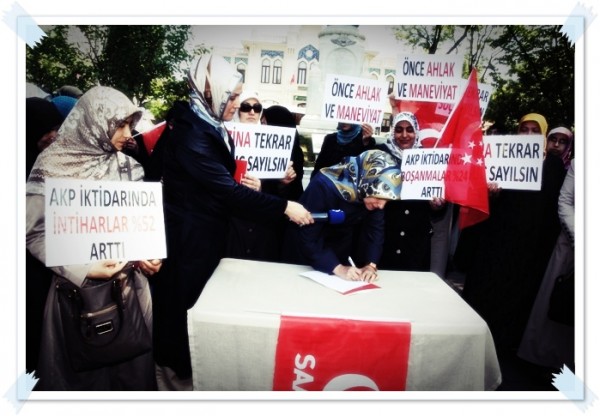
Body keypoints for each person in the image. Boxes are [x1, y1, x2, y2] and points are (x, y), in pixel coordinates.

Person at [151, 54, 312, 389]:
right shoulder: (192, 133)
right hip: (188, 244)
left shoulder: (207, 123)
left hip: (207, 237)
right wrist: (285, 207)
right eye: (234, 96)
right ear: (213, 91)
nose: (238, 104)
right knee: (181, 320)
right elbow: (226, 191)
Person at [26, 86, 162, 390]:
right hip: (75, 295)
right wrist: (82, 268)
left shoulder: (130, 167)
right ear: (94, 121)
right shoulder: (51, 167)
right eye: (120, 124)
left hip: (129, 290)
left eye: (130, 125)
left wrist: (147, 255)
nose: (128, 134)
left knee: (130, 377)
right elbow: (34, 232)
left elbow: (137, 225)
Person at [455, 112, 567, 358]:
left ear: (543, 135)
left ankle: (501, 348)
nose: (528, 135)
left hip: (528, 245)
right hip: (496, 238)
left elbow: (553, 208)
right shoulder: (501, 157)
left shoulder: (552, 165)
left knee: (514, 295)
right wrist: (491, 192)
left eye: (534, 131)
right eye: (524, 129)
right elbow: (481, 196)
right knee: (486, 288)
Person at [281, 149, 403, 282]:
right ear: (366, 181)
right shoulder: (323, 185)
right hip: (304, 251)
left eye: (387, 201)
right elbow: (308, 235)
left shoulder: (374, 192)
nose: (381, 206)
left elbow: (375, 230)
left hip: (338, 252)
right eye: (379, 198)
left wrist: (370, 265)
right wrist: (338, 268)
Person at [225, 99, 305, 261]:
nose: (252, 112)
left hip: (262, 226)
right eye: (246, 107)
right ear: (238, 111)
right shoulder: (224, 138)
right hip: (232, 224)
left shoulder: (272, 144)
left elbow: (279, 195)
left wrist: (282, 182)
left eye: (257, 108)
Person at [518, 159, 575, 373]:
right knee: (558, 312)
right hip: (571, 246)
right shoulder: (580, 165)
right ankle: (550, 369)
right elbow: (565, 202)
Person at [375, 112, 446, 271]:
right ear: (393, 132)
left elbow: (437, 205)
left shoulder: (428, 159)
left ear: (416, 132)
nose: (404, 135)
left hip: (415, 242)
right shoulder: (381, 155)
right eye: (399, 130)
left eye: (409, 130)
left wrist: (437, 205)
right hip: (385, 238)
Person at [311, 122, 377, 178]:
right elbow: (320, 164)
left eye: (348, 119)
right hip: (329, 183)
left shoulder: (365, 139)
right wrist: (314, 180)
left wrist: (366, 143)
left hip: (351, 185)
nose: (344, 122)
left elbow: (367, 165)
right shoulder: (330, 138)